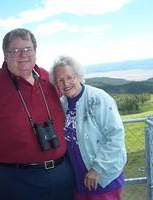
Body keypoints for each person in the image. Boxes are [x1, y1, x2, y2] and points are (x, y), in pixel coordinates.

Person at [0, 29, 75, 200]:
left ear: (35, 52)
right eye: (15, 50)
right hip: (12, 182)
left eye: (28, 49)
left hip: (61, 176)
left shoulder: (48, 78)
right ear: (5, 55)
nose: (23, 55)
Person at [50, 55, 127, 200]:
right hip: (78, 180)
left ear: (78, 76)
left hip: (101, 178)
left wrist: (98, 168)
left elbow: (115, 136)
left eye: (70, 77)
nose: (66, 83)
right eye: (60, 80)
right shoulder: (62, 104)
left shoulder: (98, 98)